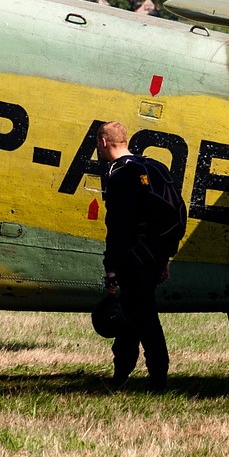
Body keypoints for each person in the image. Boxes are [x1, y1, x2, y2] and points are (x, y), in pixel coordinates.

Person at [97, 121, 170, 391]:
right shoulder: (151, 168)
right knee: (131, 316)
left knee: (145, 319)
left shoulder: (120, 175)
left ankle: (159, 379)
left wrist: (111, 268)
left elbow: (118, 226)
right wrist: (163, 259)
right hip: (152, 257)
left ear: (104, 142)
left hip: (132, 261)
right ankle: (121, 375)